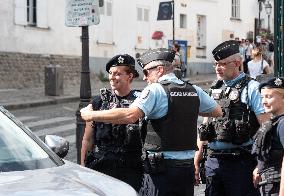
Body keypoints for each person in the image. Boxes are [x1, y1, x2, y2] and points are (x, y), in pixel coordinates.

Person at [81, 48, 223, 196]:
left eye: (146, 72)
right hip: (185, 170)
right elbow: (217, 111)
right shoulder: (193, 90)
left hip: (161, 171)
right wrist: (184, 107)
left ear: (159, 70)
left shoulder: (155, 89)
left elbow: (130, 115)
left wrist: (91, 115)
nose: (144, 78)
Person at [194, 40, 270, 196]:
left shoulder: (252, 88)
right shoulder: (215, 88)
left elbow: (266, 127)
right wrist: (197, 158)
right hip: (213, 162)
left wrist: (261, 164)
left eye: (221, 64)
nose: (217, 68)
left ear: (237, 63)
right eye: (215, 64)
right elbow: (205, 127)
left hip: (241, 162)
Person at [80, 54, 147, 192]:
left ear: (130, 76)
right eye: (110, 73)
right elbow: (87, 139)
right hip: (102, 164)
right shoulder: (99, 102)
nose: (111, 77)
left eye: (117, 74)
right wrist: (82, 166)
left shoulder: (140, 101)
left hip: (131, 167)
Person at [252, 77, 284, 195]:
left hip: (277, 187)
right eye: (262, 97)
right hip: (268, 185)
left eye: (269, 97)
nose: (263, 101)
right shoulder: (273, 121)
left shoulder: (282, 123)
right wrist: (259, 168)